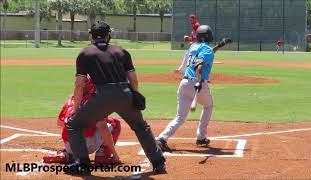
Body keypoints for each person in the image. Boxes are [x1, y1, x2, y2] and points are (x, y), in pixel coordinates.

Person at [65, 21, 165, 175]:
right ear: (108, 36)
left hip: (102, 96)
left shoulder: (85, 53)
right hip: (125, 93)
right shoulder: (122, 51)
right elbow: (134, 79)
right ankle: (158, 163)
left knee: (74, 124)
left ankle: (83, 164)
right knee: (141, 127)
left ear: (91, 36)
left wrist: (76, 109)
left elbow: (79, 84)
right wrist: (134, 95)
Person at [157, 25, 232, 152]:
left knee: (180, 117)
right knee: (208, 106)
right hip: (198, 84)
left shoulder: (193, 47)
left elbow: (206, 54)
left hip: (184, 84)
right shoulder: (206, 50)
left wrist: (219, 46)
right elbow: (200, 65)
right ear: (209, 37)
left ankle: (162, 138)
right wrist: (198, 78)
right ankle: (201, 137)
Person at [42, 77, 121, 165]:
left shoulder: (71, 100)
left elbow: (60, 123)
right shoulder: (95, 102)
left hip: (69, 144)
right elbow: (103, 128)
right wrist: (115, 155)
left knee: (76, 130)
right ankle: (102, 155)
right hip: (86, 146)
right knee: (115, 123)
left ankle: (67, 155)